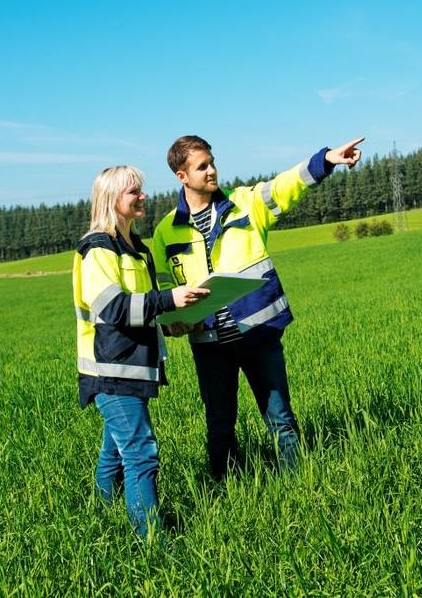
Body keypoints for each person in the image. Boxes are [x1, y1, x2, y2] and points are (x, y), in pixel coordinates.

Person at [151, 135, 363, 479]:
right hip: (209, 343)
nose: (212, 170)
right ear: (181, 176)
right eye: (202, 166)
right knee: (220, 427)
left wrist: (325, 160)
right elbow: (163, 286)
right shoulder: (165, 231)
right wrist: (171, 321)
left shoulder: (245, 203)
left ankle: (296, 486)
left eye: (212, 162)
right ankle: (224, 492)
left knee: (281, 419)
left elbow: (285, 186)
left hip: (257, 333)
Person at [72, 165, 209, 537]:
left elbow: (145, 308)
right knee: (141, 454)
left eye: (141, 189)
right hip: (110, 369)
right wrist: (169, 297)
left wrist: (175, 319)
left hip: (132, 366)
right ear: (112, 199)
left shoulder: (137, 249)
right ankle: (153, 540)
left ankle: (101, 518)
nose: (142, 196)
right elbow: (113, 308)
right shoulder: (97, 248)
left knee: (116, 451)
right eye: (134, 191)